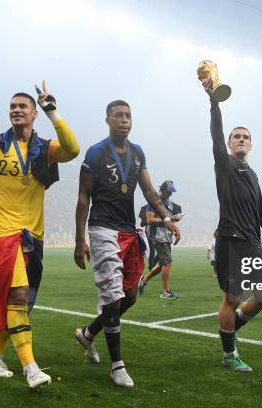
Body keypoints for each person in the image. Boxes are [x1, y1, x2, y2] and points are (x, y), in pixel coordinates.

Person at [0, 81, 80, 388]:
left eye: (22, 106)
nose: (16, 110)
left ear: (34, 114)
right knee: (19, 296)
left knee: (21, 303)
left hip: (33, 236)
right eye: (12, 106)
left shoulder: (44, 149)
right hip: (3, 234)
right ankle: (31, 367)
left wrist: (54, 112)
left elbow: (73, 150)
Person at [73, 100, 181, 387]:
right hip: (102, 229)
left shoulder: (137, 152)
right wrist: (78, 238)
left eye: (128, 115)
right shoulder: (95, 153)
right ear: (107, 120)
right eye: (118, 115)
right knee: (111, 296)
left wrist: (167, 218)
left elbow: (148, 190)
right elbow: (84, 197)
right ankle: (117, 366)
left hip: (128, 231)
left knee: (130, 296)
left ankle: (88, 333)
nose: (124, 120)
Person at [201, 78, 262, 372]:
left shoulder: (253, 174)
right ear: (229, 143)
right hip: (231, 239)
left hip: (253, 243)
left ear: (251, 144)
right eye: (236, 136)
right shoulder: (223, 164)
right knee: (232, 297)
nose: (240, 139)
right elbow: (215, 134)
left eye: (245, 137)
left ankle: (228, 330)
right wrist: (214, 102)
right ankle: (228, 354)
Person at [139, 180, 182, 299]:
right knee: (168, 261)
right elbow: (150, 220)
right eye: (168, 192)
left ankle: (144, 280)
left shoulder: (169, 204)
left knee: (162, 262)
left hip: (166, 236)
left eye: (171, 192)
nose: (170, 194)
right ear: (162, 191)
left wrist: (175, 229)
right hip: (156, 235)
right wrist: (170, 219)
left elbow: (169, 221)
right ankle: (165, 292)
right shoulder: (153, 203)